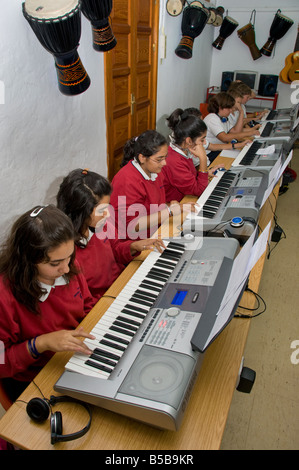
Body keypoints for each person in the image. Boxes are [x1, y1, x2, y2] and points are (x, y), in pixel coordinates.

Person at [0, 205, 96, 401]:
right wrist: (41, 343)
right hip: (35, 377)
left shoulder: (68, 266)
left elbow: (87, 305)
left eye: (70, 256)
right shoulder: (5, 296)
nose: (66, 267)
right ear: (27, 260)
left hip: (71, 358)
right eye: (55, 264)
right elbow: (2, 364)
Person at [57, 168, 165, 300]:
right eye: (101, 210)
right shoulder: (66, 251)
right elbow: (83, 300)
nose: (107, 214)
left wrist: (134, 246)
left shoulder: (101, 224)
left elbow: (115, 250)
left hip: (121, 284)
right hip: (104, 300)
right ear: (80, 211)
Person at [110, 130, 188, 240]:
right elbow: (132, 225)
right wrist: (169, 212)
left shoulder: (154, 171)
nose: (164, 163)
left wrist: (169, 206)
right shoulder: (127, 181)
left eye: (165, 157)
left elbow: (151, 204)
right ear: (142, 158)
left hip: (154, 231)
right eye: (159, 159)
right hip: (133, 242)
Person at [162, 108, 219, 202]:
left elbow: (186, 176)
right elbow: (199, 191)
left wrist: (204, 174)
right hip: (175, 204)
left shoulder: (182, 150)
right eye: (202, 139)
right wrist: (203, 159)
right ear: (188, 141)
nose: (204, 143)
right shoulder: (174, 160)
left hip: (183, 198)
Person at [203, 92, 260, 161]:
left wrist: (241, 112)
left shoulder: (223, 118)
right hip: (209, 153)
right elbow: (224, 138)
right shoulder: (212, 119)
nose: (231, 111)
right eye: (229, 108)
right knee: (235, 159)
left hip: (219, 148)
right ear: (220, 108)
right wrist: (249, 133)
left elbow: (236, 131)